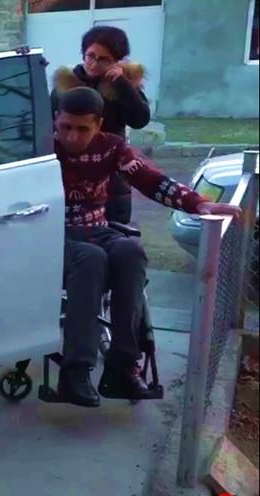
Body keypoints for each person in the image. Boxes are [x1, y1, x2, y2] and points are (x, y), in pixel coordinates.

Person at [54, 87, 241, 408]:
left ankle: (123, 366)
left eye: (83, 129)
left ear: (99, 125)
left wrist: (198, 204)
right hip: (51, 235)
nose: (72, 137)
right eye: (66, 127)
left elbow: (150, 179)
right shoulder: (41, 148)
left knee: (130, 252)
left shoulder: (111, 147)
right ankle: (75, 371)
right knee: (92, 259)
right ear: (56, 119)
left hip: (96, 228)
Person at [51, 25, 151, 226]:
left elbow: (139, 120)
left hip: (111, 174)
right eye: (90, 56)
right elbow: (48, 125)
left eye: (104, 59)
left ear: (117, 61)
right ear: (83, 53)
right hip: (71, 173)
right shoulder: (66, 85)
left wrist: (123, 85)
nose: (94, 64)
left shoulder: (122, 86)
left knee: (115, 231)